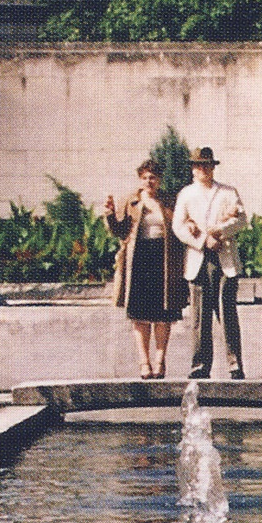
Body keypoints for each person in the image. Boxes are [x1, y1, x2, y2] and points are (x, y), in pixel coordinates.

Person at [104, 159, 188, 379]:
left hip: (165, 259)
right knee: (139, 315)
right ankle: (144, 363)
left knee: (163, 314)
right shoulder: (130, 201)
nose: (149, 181)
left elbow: (181, 227)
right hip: (139, 259)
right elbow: (120, 231)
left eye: (153, 177)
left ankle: (160, 361)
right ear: (139, 179)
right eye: (144, 177)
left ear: (159, 179)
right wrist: (110, 216)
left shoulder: (170, 201)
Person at [172, 147, 248, 380]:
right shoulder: (186, 194)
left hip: (224, 260)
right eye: (198, 165)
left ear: (213, 167)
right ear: (193, 169)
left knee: (227, 313)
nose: (203, 169)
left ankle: (234, 365)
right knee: (199, 317)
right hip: (198, 258)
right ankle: (200, 366)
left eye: (207, 165)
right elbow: (178, 225)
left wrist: (219, 231)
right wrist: (203, 240)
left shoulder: (228, 191)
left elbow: (241, 219)